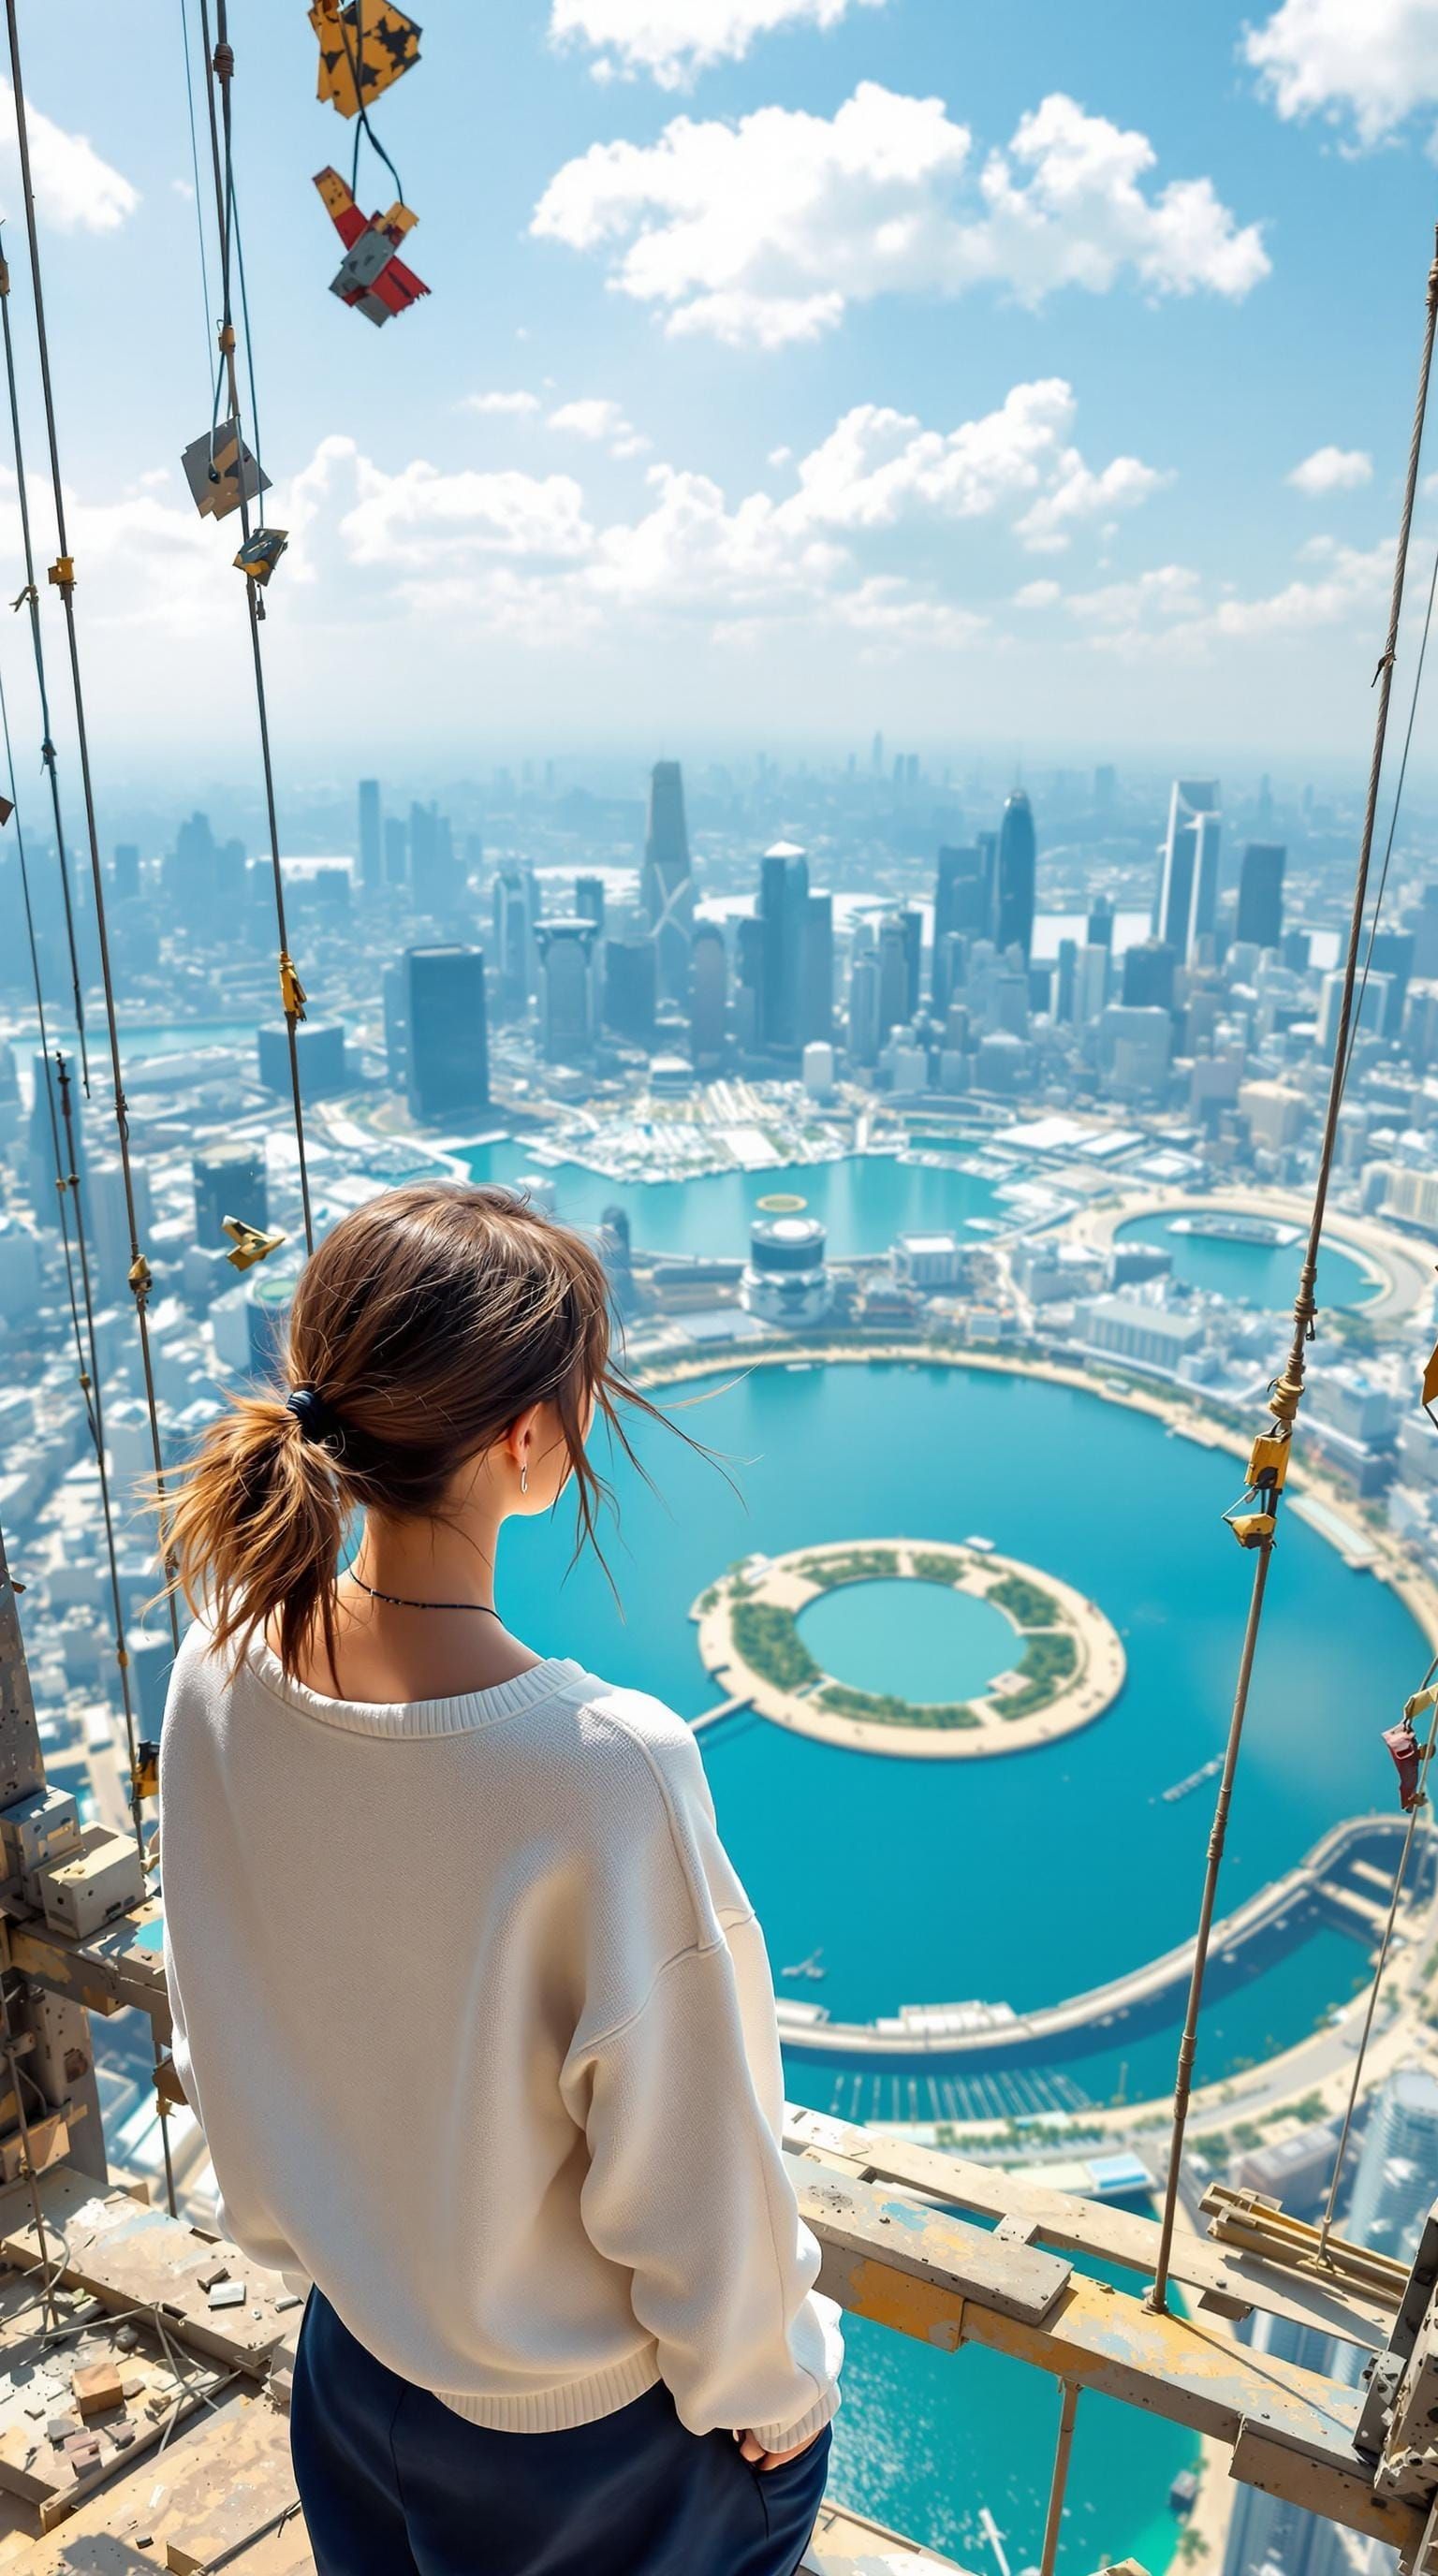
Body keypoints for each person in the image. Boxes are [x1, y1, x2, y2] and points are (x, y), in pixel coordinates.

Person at [157, 1181, 842, 2576]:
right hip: (575, 2450)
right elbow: (698, 2176)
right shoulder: (601, 1768)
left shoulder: (219, 1663)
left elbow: (213, 2001)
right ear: (528, 1438)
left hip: (352, 2367)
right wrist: (774, 2391)